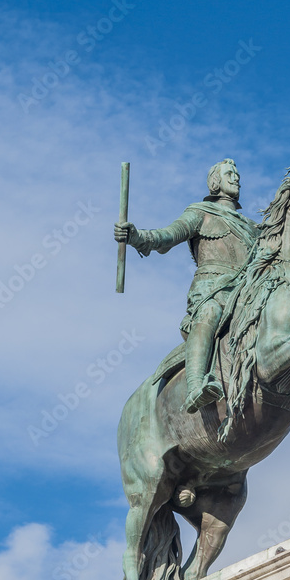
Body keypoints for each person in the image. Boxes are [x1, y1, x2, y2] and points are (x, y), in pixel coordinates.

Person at [114, 159, 258, 412]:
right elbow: (167, 236)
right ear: (215, 182)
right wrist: (136, 236)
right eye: (229, 174)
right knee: (210, 312)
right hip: (212, 290)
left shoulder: (252, 228)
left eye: (237, 174)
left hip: (246, 293)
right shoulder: (200, 212)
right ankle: (195, 388)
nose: (236, 178)